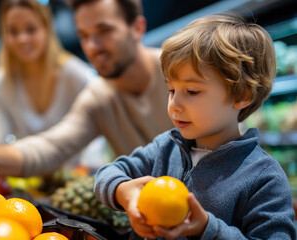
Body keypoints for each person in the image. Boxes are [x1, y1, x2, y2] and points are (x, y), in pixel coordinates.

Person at [94, 13, 296, 239]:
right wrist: (123, 192)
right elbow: (107, 173)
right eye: (171, 90)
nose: (174, 104)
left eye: (192, 91)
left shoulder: (264, 178)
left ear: (242, 95)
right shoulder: (166, 147)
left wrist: (207, 230)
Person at [0, 0, 174, 179]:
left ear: (138, 28)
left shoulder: (181, 72)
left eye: (104, 31)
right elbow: (49, 148)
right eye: (84, 35)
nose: (92, 47)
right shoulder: (98, 98)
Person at [0, 0, 91, 144]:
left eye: (31, 29)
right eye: (13, 31)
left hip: (79, 166)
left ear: (47, 28)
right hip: (22, 164)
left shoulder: (76, 75)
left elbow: (94, 142)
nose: (22, 39)